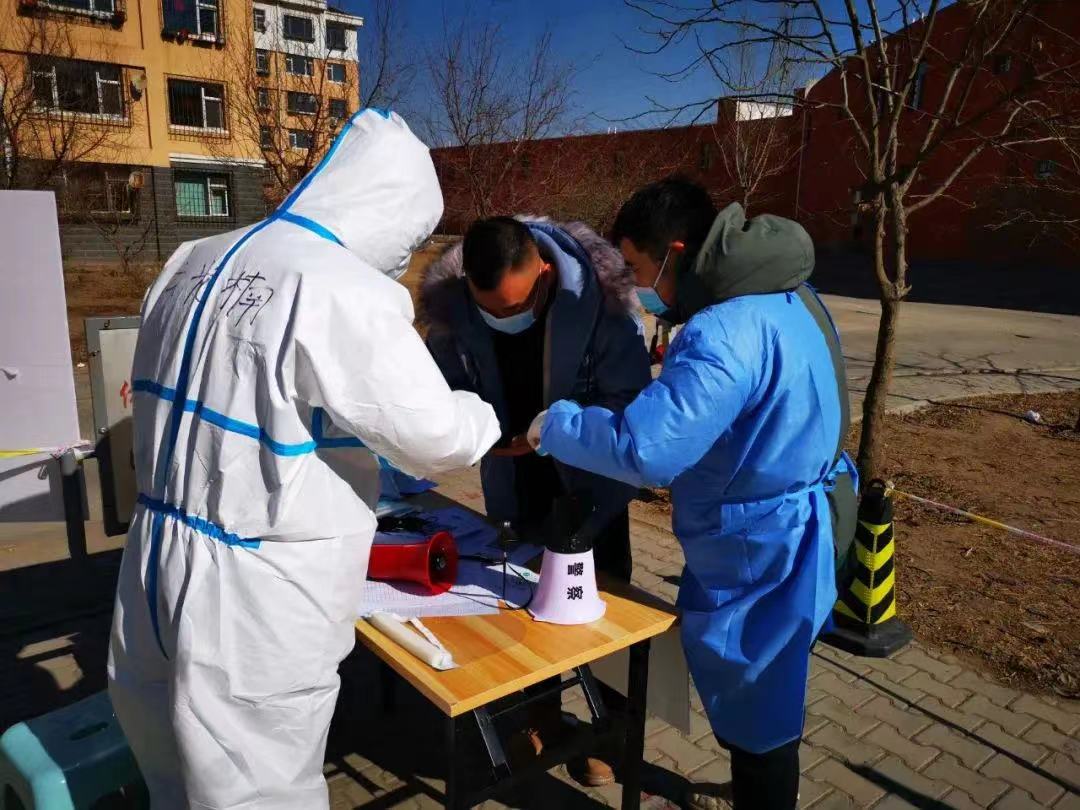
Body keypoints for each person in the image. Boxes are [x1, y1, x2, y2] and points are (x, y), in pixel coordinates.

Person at [107, 110, 501, 810]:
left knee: (168, 767)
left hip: (152, 559)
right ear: (394, 213)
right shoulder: (340, 287)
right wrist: (486, 414)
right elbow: (435, 437)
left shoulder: (192, 259)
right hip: (256, 591)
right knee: (259, 789)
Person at [528, 178, 857, 810]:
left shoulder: (722, 331)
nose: (637, 285)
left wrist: (557, 425)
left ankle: (762, 797)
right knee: (772, 683)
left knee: (759, 702)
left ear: (675, 252)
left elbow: (647, 450)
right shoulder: (791, 295)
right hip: (806, 520)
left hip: (760, 547)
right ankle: (755, 788)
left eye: (637, 268)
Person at [420, 214, 651, 782]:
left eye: (516, 307)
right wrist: (475, 437)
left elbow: (631, 402)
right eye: (491, 311)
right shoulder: (452, 313)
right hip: (512, 481)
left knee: (603, 608)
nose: (505, 319)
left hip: (591, 485)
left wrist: (555, 433)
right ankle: (537, 721)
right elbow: (441, 395)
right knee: (520, 604)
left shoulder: (604, 303)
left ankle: (611, 733)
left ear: (544, 273)